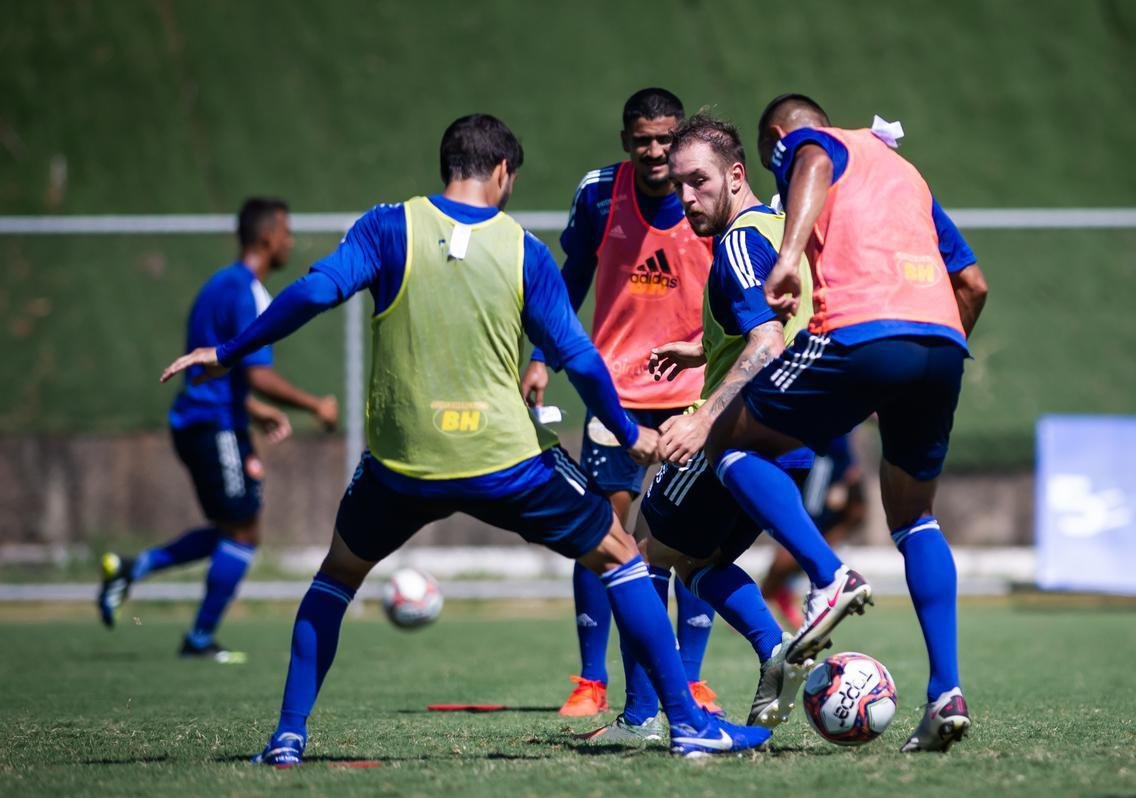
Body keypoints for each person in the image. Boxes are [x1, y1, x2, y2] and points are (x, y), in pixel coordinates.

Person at [160, 114, 771, 764]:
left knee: (335, 579)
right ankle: (686, 724)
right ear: (503, 173)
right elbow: (583, 360)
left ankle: (287, 737)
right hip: (506, 461)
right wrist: (630, 433)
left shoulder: (387, 227)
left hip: (404, 461)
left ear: (448, 164)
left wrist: (228, 352)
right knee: (624, 557)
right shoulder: (523, 251)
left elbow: (313, 292)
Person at [703, 94, 989, 752]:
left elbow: (808, 159)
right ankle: (946, 692)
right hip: (941, 344)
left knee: (731, 441)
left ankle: (828, 575)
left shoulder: (816, 144)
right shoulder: (906, 173)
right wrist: (920, 362)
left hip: (862, 331)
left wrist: (788, 254)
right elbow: (972, 283)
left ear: (776, 140)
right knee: (914, 517)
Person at [582, 114, 845, 742]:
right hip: (791, 435)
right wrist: (703, 350)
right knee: (693, 561)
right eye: (677, 187)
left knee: (635, 556)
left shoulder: (735, 243)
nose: (686, 198)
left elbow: (768, 338)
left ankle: (647, 717)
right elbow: (784, 319)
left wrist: (703, 416)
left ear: (735, 175)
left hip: (739, 433)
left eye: (697, 182)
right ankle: (771, 649)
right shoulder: (783, 228)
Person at [519, 88, 720, 717]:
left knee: (693, 537)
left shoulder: (707, 191)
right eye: (644, 139)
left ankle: (687, 680)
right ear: (625, 139)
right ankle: (590, 681)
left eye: (666, 138)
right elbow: (571, 275)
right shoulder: (598, 193)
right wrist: (542, 356)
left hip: (693, 395)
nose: (656, 151)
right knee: (602, 531)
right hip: (616, 396)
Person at [97, 197, 339, 662]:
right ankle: (199, 639)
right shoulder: (244, 291)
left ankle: (133, 570)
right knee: (244, 531)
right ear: (267, 237)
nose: (290, 241)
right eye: (286, 232)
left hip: (211, 418)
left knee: (237, 527)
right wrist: (315, 406)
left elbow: (213, 372)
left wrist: (253, 410)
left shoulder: (217, 286)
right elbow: (256, 372)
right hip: (212, 424)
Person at [761, 432, 867, 628]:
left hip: (838, 460)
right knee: (801, 532)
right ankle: (764, 600)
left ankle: (786, 588)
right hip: (820, 461)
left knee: (856, 513)